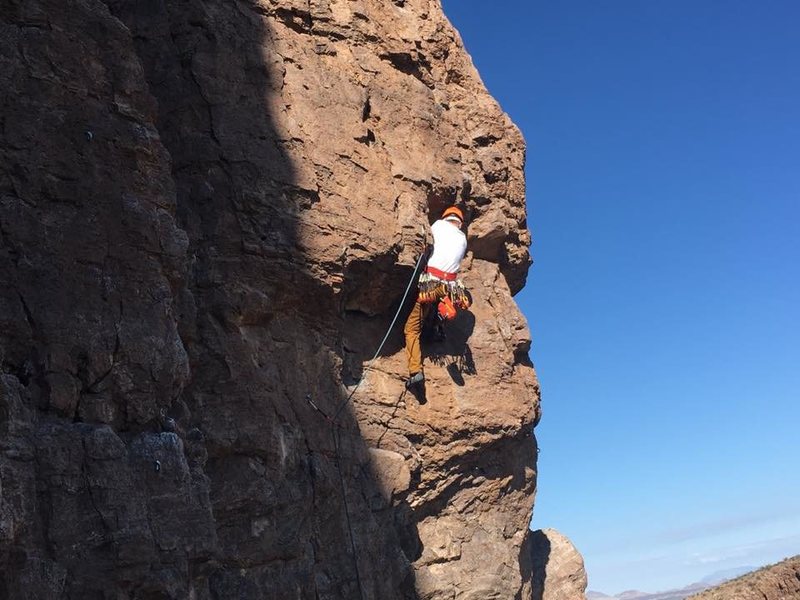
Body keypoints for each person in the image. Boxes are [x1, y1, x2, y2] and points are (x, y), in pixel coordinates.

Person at [403, 205, 468, 388]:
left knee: (411, 329)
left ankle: (415, 371)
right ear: (459, 223)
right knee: (438, 306)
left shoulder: (438, 225)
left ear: (446, 217)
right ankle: (437, 327)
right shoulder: (463, 239)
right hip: (450, 288)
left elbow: (427, 240)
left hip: (431, 284)